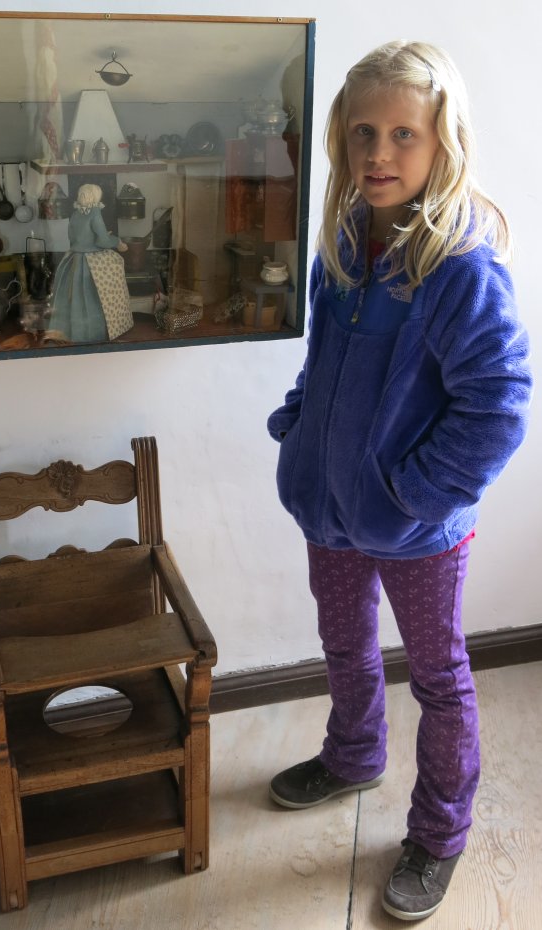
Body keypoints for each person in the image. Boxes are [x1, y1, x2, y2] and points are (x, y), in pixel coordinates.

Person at [267, 41, 532, 922]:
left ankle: (438, 831)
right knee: (343, 646)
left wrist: (415, 494)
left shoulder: (460, 269)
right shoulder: (340, 249)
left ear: (441, 143)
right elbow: (323, 363)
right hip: (328, 511)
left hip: (418, 528)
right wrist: (298, 426)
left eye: (403, 135)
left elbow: (497, 406)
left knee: (438, 678)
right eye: (362, 133)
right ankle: (352, 756)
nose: (379, 153)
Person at [48, 183, 132, 343]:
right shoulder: (94, 213)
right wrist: (117, 242)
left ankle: (71, 333)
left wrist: (88, 240)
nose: (83, 196)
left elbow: (73, 238)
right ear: (95, 198)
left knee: (71, 297)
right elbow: (102, 241)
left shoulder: (75, 214)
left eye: (83, 194)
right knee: (104, 284)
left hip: (74, 257)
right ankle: (95, 333)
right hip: (91, 260)